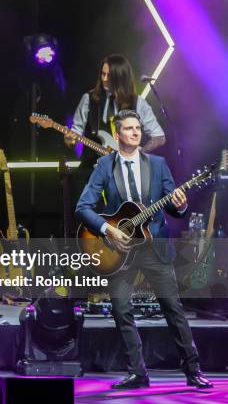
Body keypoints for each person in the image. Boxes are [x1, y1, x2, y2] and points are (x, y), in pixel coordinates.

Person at [76, 110, 212, 389]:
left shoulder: (158, 165)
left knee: (174, 310)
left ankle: (193, 370)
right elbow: (83, 208)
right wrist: (108, 229)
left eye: (138, 128)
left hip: (154, 248)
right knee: (121, 311)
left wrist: (181, 204)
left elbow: (175, 208)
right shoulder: (105, 165)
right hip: (118, 249)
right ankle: (137, 373)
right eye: (129, 128)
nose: (136, 132)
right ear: (117, 135)